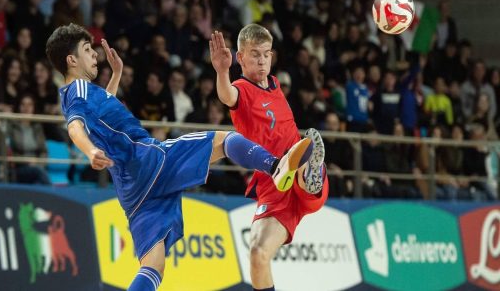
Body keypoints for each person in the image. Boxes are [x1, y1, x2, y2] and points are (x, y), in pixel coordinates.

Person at [46, 23, 312, 291]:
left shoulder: (80, 94)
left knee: (153, 266)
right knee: (223, 140)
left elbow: (98, 115)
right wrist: (89, 150)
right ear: (71, 60)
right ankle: (275, 166)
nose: (94, 55)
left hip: (131, 188)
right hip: (147, 160)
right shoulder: (78, 89)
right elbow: (75, 126)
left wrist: (116, 76)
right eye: (87, 50)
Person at [210, 25, 328, 291]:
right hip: (273, 186)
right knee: (258, 254)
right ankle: (307, 173)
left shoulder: (274, 84)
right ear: (240, 58)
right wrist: (221, 72)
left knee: (302, 152)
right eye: (254, 55)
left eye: (266, 54)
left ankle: (311, 175)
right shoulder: (241, 88)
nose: (262, 60)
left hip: (299, 169)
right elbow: (227, 95)